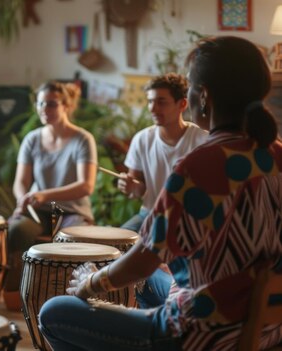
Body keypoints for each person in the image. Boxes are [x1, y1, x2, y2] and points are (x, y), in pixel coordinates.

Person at [39, 36, 282, 351]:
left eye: (191, 86)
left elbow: (140, 262)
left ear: (202, 97)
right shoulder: (276, 154)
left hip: (200, 335)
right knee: (153, 280)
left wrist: (90, 282)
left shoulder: (200, 166)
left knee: (55, 313)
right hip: (269, 326)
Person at [117, 73, 208, 308]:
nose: (153, 108)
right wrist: (133, 188)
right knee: (115, 246)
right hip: (149, 215)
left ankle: (164, 295)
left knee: (152, 259)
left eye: (161, 101)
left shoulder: (201, 139)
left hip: (187, 221)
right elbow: (136, 189)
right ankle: (133, 305)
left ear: (182, 104)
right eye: (150, 101)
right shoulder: (141, 139)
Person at [4, 81, 97, 310]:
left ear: (66, 106)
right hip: (40, 212)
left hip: (73, 211)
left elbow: (86, 186)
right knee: (16, 230)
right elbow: (20, 182)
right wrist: (22, 199)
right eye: (41, 103)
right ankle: (18, 295)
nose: (46, 109)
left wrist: (44, 194)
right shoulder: (32, 139)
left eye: (52, 104)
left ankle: (64, 301)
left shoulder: (83, 139)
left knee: (69, 240)